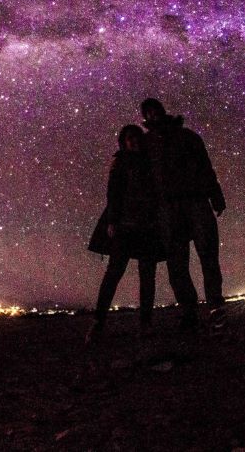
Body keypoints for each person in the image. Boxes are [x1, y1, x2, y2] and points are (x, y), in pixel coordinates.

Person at [140, 98, 227, 332]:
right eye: (147, 112)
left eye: (154, 110)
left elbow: (205, 166)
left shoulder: (187, 136)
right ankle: (189, 312)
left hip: (195, 200)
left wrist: (215, 195)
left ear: (162, 111)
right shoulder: (146, 144)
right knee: (177, 265)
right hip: (167, 208)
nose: (152, 115)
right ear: (145, 117)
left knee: (208, 256)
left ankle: (215, 308)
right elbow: (141, 179)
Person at [87, 124, 165, 343]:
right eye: (129, 138)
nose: (134, 141)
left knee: (147, 276)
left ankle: (146, 323)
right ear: (124, 141)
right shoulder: (120, 162)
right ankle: (98, 323)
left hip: (148, 226)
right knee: (113, 274)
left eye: (136, 137)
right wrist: (112, 221)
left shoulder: (150, 162)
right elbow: (113, 193)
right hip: (125, 225)